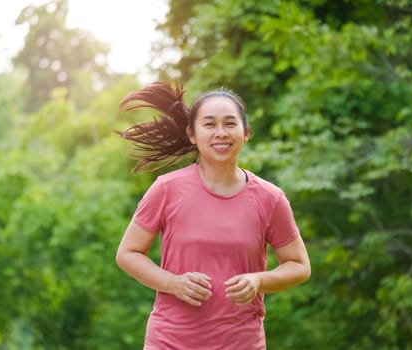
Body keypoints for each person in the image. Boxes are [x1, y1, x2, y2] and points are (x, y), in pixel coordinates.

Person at [115, 81, 311, 349]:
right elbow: (127, 253)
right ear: (192, 134)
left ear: (246, 133)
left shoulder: (270, 198)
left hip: (241, 342)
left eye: (230, 124)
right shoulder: (166, 188)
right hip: (170, 341)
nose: (221, 133)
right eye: (209, 124)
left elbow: (299, 265)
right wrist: (173, 283)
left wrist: (258, 280)